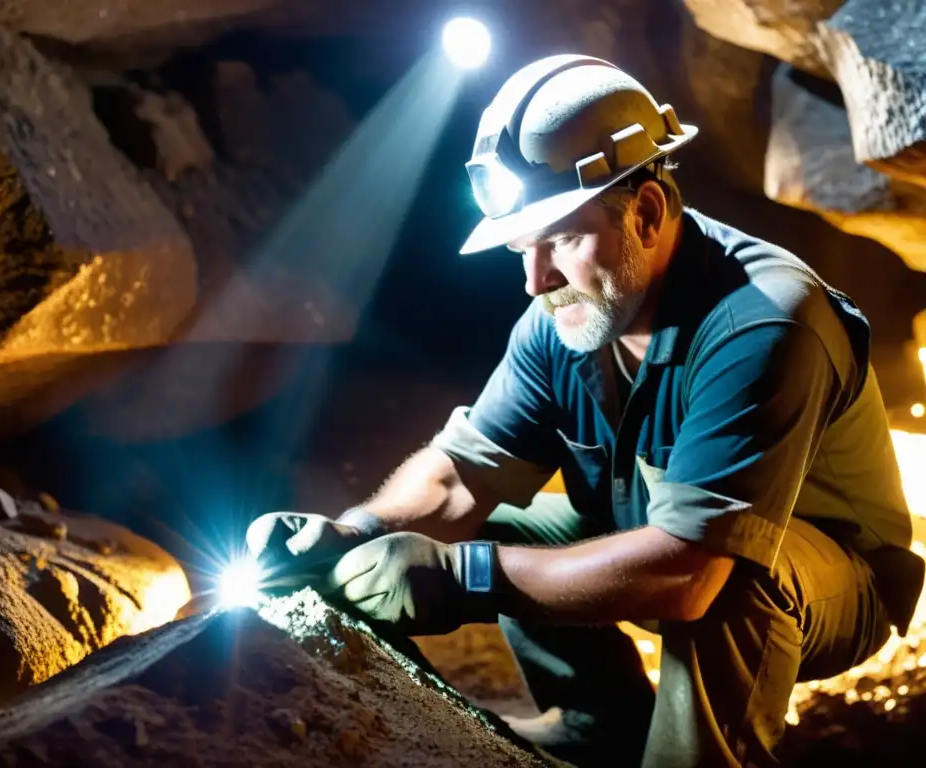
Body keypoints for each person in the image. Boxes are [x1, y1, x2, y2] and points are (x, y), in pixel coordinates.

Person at [246, 55, 924, 767]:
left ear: (648, 212)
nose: (535, 281)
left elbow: (688, 574)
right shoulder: (566, 315)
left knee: (730, 578)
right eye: (520, 249)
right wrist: (351, 535)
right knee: (503, 526)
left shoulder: (763, 320)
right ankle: (599, 724)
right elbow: (464, 475)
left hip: (825, 579)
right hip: (665, 535)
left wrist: (465, 577)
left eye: (560, 240)